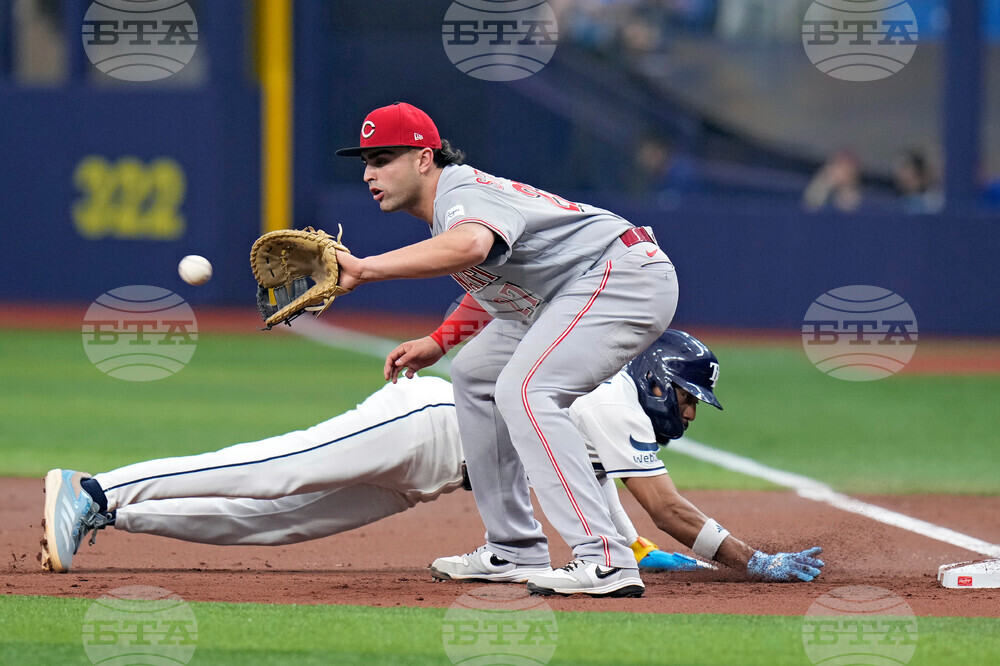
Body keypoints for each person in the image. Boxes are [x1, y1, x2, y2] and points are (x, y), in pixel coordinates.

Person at [41, 330, 824, 586]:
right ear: (657, 382)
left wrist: (663, 559)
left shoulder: (607, 414)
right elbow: (668, 507)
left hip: (434, 472)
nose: (689, 412)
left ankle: (112, 516)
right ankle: (95, 487)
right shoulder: (616, 399)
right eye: (687, 397)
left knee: (277, 525)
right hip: (426, 425)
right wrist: (751, 561)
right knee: (274, 470)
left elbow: (615, 519)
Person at [333, 101, 679, 597]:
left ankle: (605, 558)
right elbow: (497, 286)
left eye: (383, 159)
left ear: (425, 158)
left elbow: (471, 247)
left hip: (620, 275)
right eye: (367, 162)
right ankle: (514, 547)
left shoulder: (461, 193)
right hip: (570, 289)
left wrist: (366, 268)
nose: (370, 173)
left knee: (527, 389)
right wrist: (439, 340)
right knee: (475, 372)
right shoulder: (450, 207)